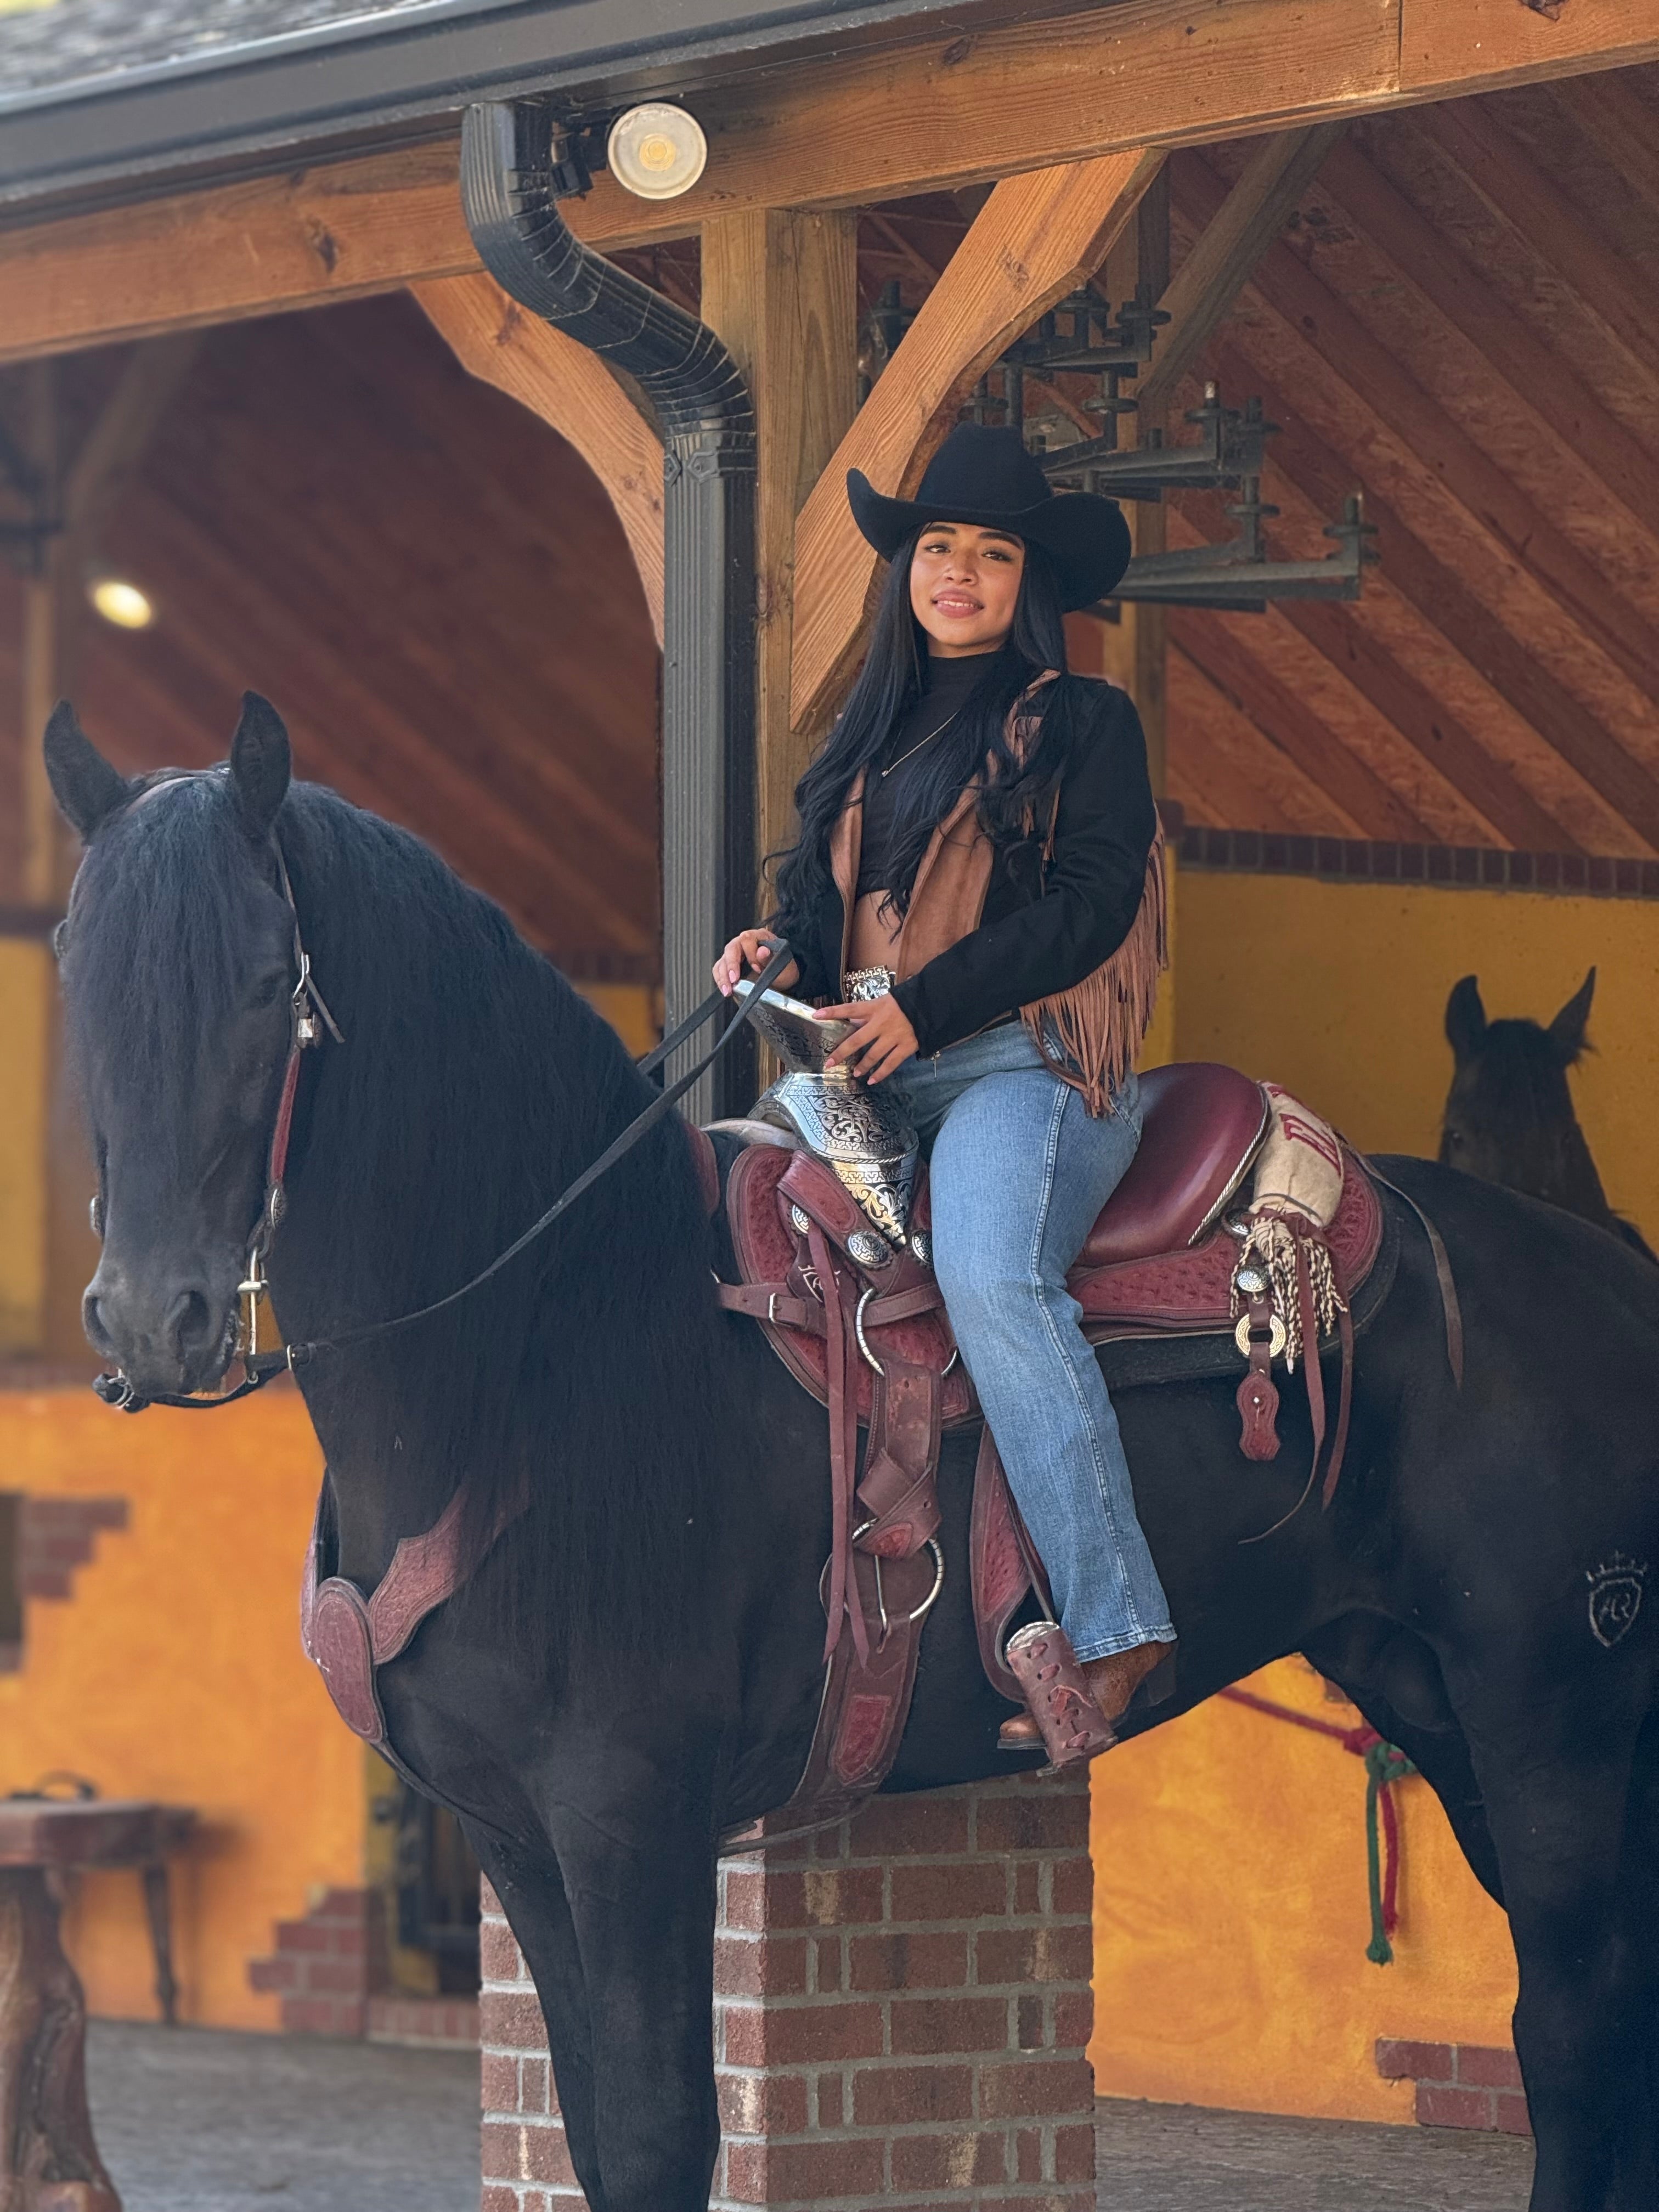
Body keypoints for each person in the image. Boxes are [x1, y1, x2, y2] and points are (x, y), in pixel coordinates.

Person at [715, 421, 1175, 1746]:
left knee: (988, 1276)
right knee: (739, 1218)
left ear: (1029, 580)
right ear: (905, 570)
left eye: (991, 552)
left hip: (1019, 1071)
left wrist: (928, 1009)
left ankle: (1115, 1625)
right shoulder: (865, 732)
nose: (958, 573)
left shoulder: (1083, 722)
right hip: (863, 1060)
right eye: (937, 549)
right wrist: (779, 950)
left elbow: (1089, 908)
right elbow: (826, 905)